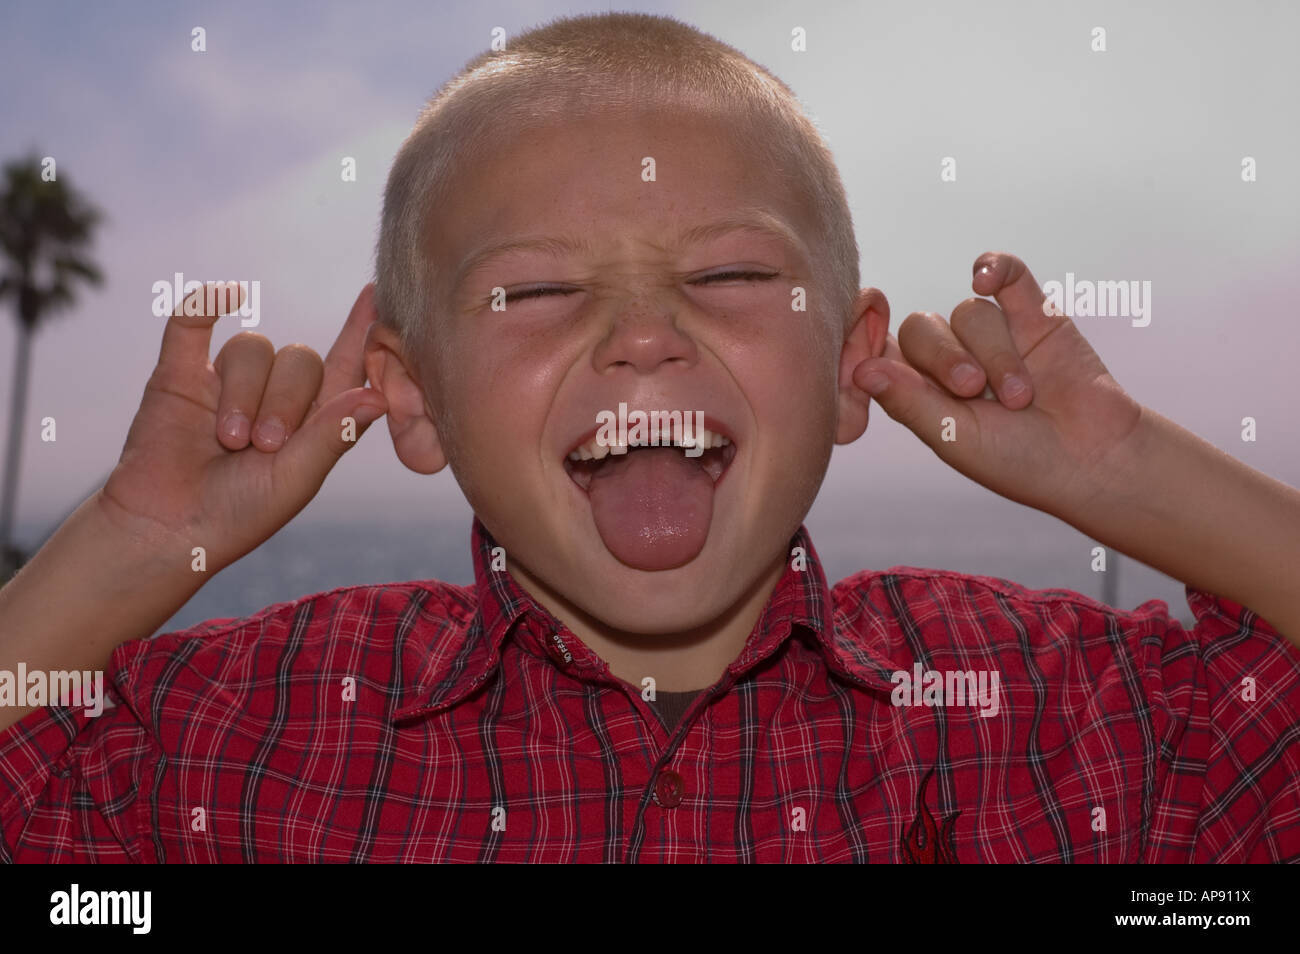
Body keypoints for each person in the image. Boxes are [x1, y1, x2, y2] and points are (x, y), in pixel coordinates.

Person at [2, 12, 1297, 863]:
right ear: (411, 394)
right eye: (537, 291)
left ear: (853, 365)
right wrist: (132, 547)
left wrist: (1131, 472)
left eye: (731, 275)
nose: (643, 334)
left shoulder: (1056, 718)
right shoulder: (252, 733)